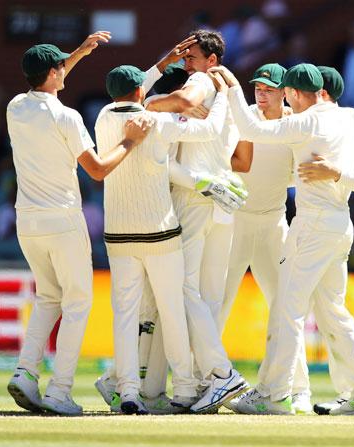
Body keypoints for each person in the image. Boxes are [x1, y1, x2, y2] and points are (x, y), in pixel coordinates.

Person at [211, 63, 354, 415]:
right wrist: (340, 162)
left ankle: (275, 394)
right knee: (332, 312)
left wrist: (231, 85)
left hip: (312, 227)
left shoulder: (305, 122)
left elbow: (250, 127)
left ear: (291, 93)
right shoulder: (352, 118)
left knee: (286, 310)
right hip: (341, 227)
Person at [6, 32, 153, 416]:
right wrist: (130, 141)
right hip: (63, 220)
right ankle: (59, 390)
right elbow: (98, 170)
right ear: (53, 73)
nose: (63, 69)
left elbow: (47, 78)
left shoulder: (15, 107)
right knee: (76, 303)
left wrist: (79, 54)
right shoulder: (67, 116)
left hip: (29, 222)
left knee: (47, 298)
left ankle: (25, 372)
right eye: (61, 66)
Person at [94, 63, 234, 414]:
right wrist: (222, 96)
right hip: (159, 233)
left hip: (119, 235)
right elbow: (212, 129)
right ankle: (185, 388)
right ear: (141, 91)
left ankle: (128, 391)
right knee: (173, 311)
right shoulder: (158, 123)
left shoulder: (101, 118)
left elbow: (136, 95)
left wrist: (155, 72)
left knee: (125, 316)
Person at [145, 30, 249, 413]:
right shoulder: (226, 95)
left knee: (183, 290)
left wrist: (159, 103)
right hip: (221, 201)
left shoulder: (201, 83)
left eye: (192, 55)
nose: (186, 61)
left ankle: (221, 374)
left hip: (196, 196)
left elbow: (182, 104)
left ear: (212, 61)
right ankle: (206, 382)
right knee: (207, 297)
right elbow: (242, 159)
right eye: (185, 55)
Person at [219, 63, 313, 414]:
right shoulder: (244, 119)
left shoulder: (295, 124)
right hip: (237, 221)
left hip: (274, 224)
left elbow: (295, 174)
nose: (261, 92)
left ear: (285, 91)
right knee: (218, 301)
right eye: (258, 87)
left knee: (286, 310)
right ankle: (207, 382)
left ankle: (298, 389)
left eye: (269, 88)